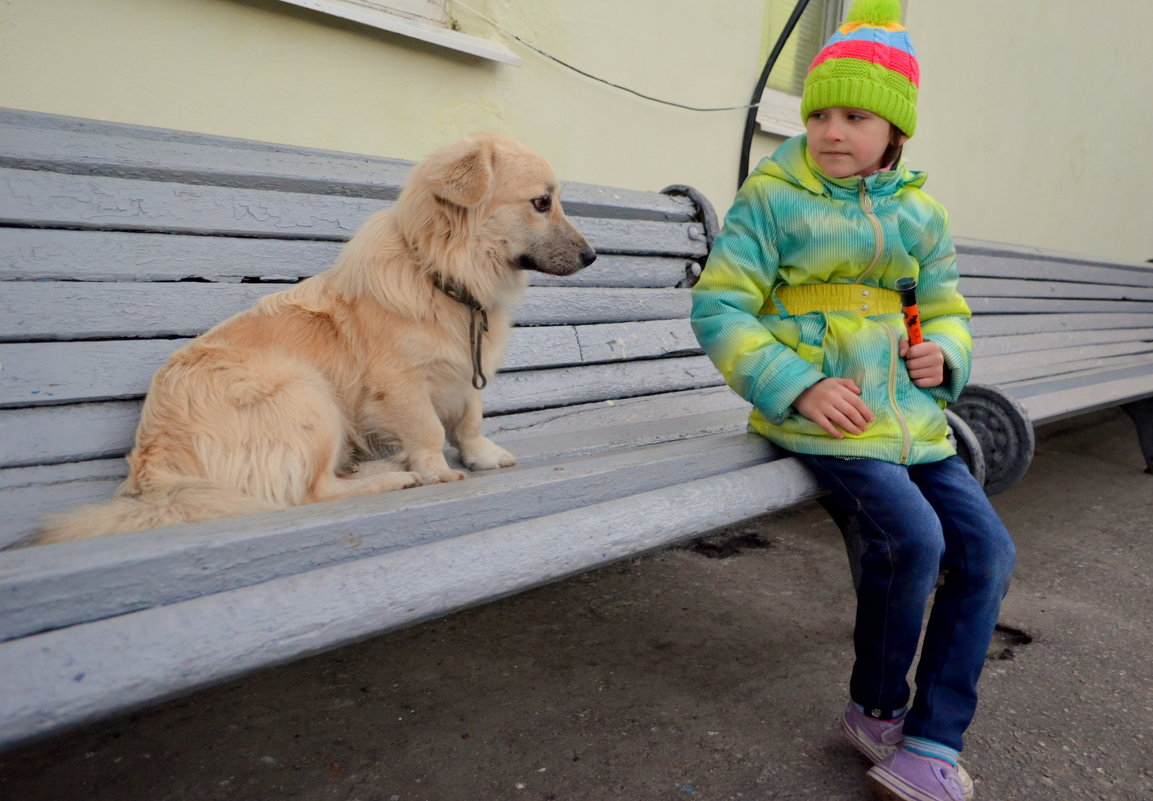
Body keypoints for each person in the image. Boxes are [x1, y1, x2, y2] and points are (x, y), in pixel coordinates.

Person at [690, 1, 1016, 799]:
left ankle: (930, 740)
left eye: (856, 115)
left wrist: (947, 353)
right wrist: (794, 383)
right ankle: (876, 707)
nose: (833, 130)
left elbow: (941, 306)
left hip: (913, 423)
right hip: (826, 418)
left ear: (894, 132)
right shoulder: (771, 198)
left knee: (987, 553)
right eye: (820, 113)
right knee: (913, 539)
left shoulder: (919, 212)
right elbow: (720, 307)